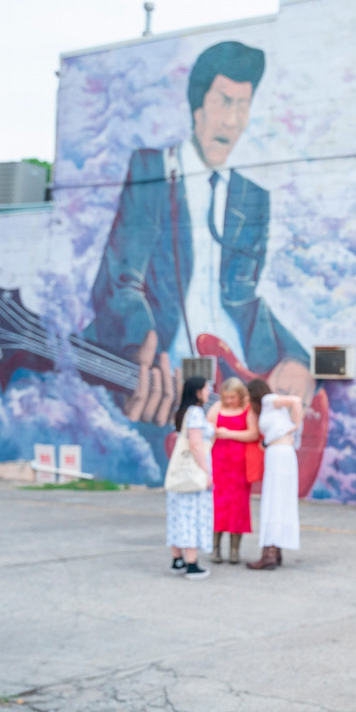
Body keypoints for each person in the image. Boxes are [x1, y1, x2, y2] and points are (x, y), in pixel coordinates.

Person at [87, 40, 313, 426]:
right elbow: (121, 279)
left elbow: (243, 297)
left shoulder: (251, 197)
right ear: (197, 105)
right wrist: (136, 347)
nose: (232, 120)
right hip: (172, 379)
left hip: (241, 377)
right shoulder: (154, 170)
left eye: (243, 105)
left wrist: (295, 357)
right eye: (224, 101)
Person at [245, 377, 304, 570]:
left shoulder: (268, 400)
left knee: (274, 500)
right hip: (277, 452)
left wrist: (296, 425)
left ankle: (270, 551)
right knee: (278, 499)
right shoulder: (265, 408)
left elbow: (295, 401)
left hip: (280, 455)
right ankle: (274, 550)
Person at [208, 376, 259, 564]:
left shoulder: (248, 410)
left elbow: (253, 433)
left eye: (233, 397)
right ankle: (215, 548)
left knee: (238, 507)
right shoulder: (216, 408)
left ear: (240, 395)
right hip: (219, 463)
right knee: (218, 505)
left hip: (239, 465)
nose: (229, 401)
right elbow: (207, 429)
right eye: (226, 397)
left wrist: (228, 433)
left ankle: (235, 550)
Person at [167, 376, 213, 580]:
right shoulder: (195, 412)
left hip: (180, 473)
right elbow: (195, 444)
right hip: (192, 473)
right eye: (206, 388)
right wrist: (205, 471)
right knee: (191, 516)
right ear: (197, 391)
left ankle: (177, 559)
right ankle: (192, 563)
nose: (209, 391)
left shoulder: (182, 412)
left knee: (178, 515)